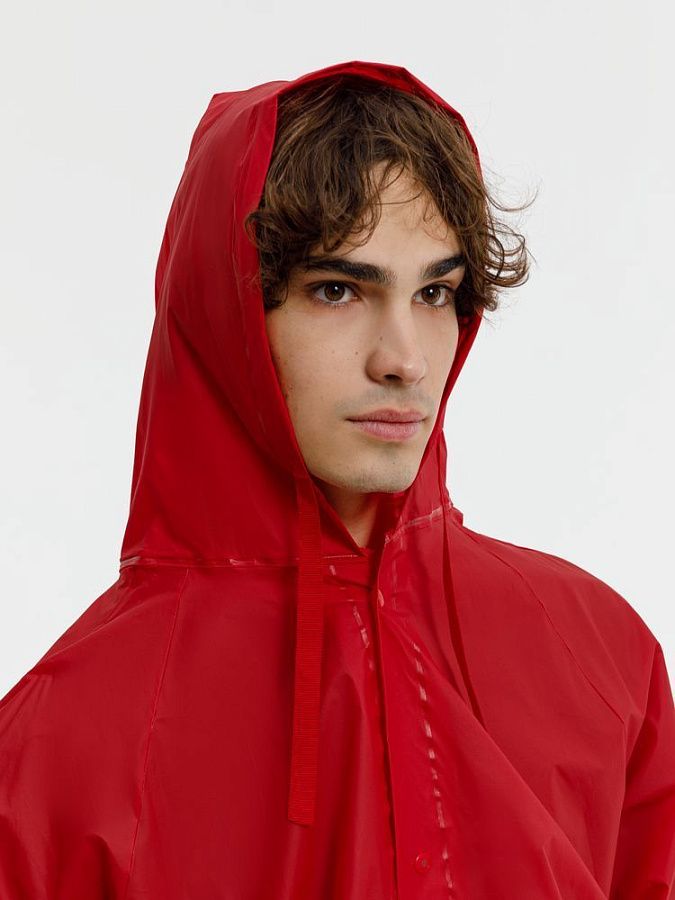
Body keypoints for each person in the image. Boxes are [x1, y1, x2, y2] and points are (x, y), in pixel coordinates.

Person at [0, 59, 673, 899]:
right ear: (226, 315)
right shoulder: (58, 748)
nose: (404, 361)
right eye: (337, 289)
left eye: (435, 293)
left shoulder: (602, 655)